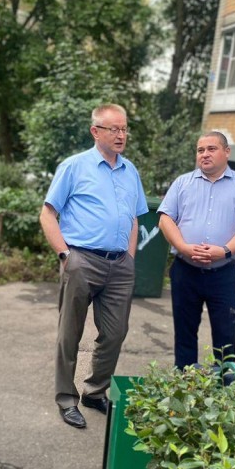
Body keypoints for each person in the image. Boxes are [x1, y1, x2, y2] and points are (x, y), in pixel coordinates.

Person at [39, 103, 148, 429]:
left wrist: (129, 257)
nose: (121, 135)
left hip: (119, 266)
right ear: (95, 131)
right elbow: (47, 215)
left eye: (124, 129)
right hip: (81, 260)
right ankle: (66, 398)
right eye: (113, 129)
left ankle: (95, 391)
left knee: (115, 334)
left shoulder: (130, 171)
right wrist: (65, 256)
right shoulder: (74, 167)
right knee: (69, 335)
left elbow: (133, 218)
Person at [158, 131, 235, 368]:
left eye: (211, 149)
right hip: (186, 271)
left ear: (227, 152)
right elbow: (165, 219)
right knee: (184, 333)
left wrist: (225, 251)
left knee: (226, 337)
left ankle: (224, 387)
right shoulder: (182, 183)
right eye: (200, 150)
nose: (204, 154)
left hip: (223, 273)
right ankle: (185, 387)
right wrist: (183, 247)